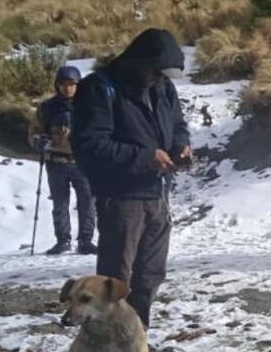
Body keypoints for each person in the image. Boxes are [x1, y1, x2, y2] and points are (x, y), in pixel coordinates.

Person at [72, 28, 191, 329]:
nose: (160, 79)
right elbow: (90, 145)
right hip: (120, 197)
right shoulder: (99, 88)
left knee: (150, 275)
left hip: (158, 195)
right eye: (156, 72)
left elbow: (178, 124)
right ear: (139, 61)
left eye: (165, 74)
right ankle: (105, 345)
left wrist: (181, 146)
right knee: (116, 281)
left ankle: (137, 343)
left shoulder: (163, 87)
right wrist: (146, 157)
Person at [28, 65, 97, 255]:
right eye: (63, 84)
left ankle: (86, 240)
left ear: (78, 85)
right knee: (60, 204)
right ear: (57, 85)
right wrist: (38, 141)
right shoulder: (46, 108)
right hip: (56, 161)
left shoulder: (90, 106)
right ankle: (63, 240)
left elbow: (100, 131)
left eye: (72, 84)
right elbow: (34, 132)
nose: (67, 88)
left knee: (87, 202)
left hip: (82, 162)